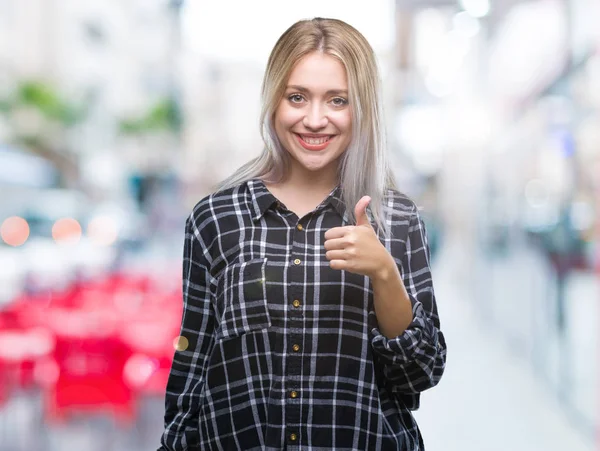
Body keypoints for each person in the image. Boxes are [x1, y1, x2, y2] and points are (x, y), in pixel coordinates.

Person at [158, 17, 446, 451]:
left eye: (337, 100)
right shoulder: (216, 219)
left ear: (362, 108)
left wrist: (384, 273)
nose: (315, 119)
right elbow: (191, 365)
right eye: (297, 97)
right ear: (274, 102)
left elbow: (420, 373)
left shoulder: (397, 220)